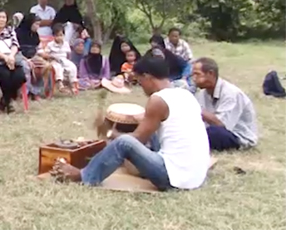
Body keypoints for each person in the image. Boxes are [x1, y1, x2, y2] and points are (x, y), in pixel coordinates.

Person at [55, 57, 211, 191]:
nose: (141, 87)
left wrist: (108, 131)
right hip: (195, 174)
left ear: (147, 77)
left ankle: (83, 176)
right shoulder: (185, 94)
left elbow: (135, 140)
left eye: (140, 81)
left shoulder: (158, 100)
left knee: (125, 142)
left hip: (174, 178)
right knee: (150, 132)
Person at [192, 58, 258, 151]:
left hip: (237, 136)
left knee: (214, 132)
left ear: (210, 73)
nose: (194, 79)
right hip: (214, 131)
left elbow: (221, 125)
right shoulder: (202, 94)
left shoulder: (231, 94)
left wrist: (193, 108)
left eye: (197, 74)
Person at [0, 9, 26, 113]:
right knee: (5, 75)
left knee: (20, 76)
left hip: (11, 60)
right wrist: (4, 58)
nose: (2, 20)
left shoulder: (10, 31)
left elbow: (15, 44)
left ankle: (4, 100)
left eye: (4, 17)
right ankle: (8, 102)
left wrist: (11, 56)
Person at [17, 14, 46, 98]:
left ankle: (36, 91)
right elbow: (16, 50)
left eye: (39, 25)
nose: (38, 27)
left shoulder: (35, 35)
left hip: (33, 56)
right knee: (26, 66)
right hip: (20, 57)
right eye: (36, 24)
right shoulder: (17, 33)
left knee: (45, 65)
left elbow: (37, 48)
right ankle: (25, 92)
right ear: (30, 23)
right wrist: (26, 60)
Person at [43, 23, 77, 94]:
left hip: (64, 60)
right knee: (58, 68)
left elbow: (68, 54)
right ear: (53, 36)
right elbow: (45, 54)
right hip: (54, 60)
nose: (59, 37)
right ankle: (60, 84)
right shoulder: (50, 45)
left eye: (61, 35)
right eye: (57, 36)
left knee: (72, 66)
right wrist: (51, 57)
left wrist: (67, 61)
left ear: (64, 35)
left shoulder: (66, 44)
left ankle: (72, 84)